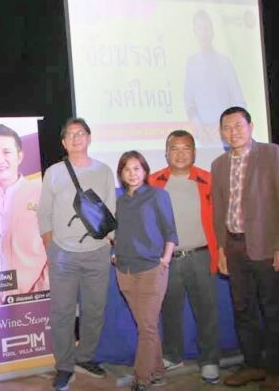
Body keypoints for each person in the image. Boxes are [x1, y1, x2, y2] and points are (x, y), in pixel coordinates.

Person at [212, 107, 279, 390]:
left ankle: (275, 370)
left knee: (273, 310)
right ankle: (253, 365)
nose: (233, 132)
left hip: (267, 246)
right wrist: (222, 249)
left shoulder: (273, 154)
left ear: (251, 126)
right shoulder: (219, 164)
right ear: (221, 132)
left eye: (238, 125)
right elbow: (219, 211)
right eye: (227, 127)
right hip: (234, 247)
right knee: (243, 309)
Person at [37, 118, 115, 391]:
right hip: (63, 254)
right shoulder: (54, 172)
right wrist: (51, 246)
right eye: (70, 135)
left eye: (80, 133)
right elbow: (44, 212)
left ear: (89, 138)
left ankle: (85, 357)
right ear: (63, 142)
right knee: (62, 312)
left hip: (97, 252)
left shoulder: (104, 171)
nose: (76, 138)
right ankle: (64, 365)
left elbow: (111, 210)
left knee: (95, 309)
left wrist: (109, 243)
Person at [149, 130, 220, 384]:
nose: (180, 154)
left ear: (194, 152)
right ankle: (172, 354)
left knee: (207, 311)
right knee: (169, 311)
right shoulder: (153, 181)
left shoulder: (208, 180)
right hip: (167, 260)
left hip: (201, 256)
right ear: (166, 153)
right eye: (174, 149)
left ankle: (210, 360)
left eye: (186, 148)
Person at [113, 151, 178, 391]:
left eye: (136, 168)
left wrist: (165, 259)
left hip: (152, 268)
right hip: (125, 270)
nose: (132, 173)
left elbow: (170, 231)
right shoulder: (120, 202)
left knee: (147, 326)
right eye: (127, 169)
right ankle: (158, 372)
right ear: (121, 174)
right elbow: (121, 233)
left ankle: (142, 378)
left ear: (145, 171)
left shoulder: (158, 195)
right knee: (146, 326)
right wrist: (116, 251)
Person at [0, 124, 48, 306]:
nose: (0, 159)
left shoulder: (41, 193)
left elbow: (55, 249)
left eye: (6, 152)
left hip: (35, 298)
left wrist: (39, 291)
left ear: (20, 156)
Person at [184, 9, 246, 146]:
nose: (203, 34)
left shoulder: (224, 62)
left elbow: (239, 101)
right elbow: (189, 103)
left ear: (212, 32)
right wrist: (199, 126)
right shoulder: (191, 64)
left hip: (227, 139)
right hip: (203, 139)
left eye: (206, 29)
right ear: (195, 32)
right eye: (199, 29)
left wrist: (223, 126)